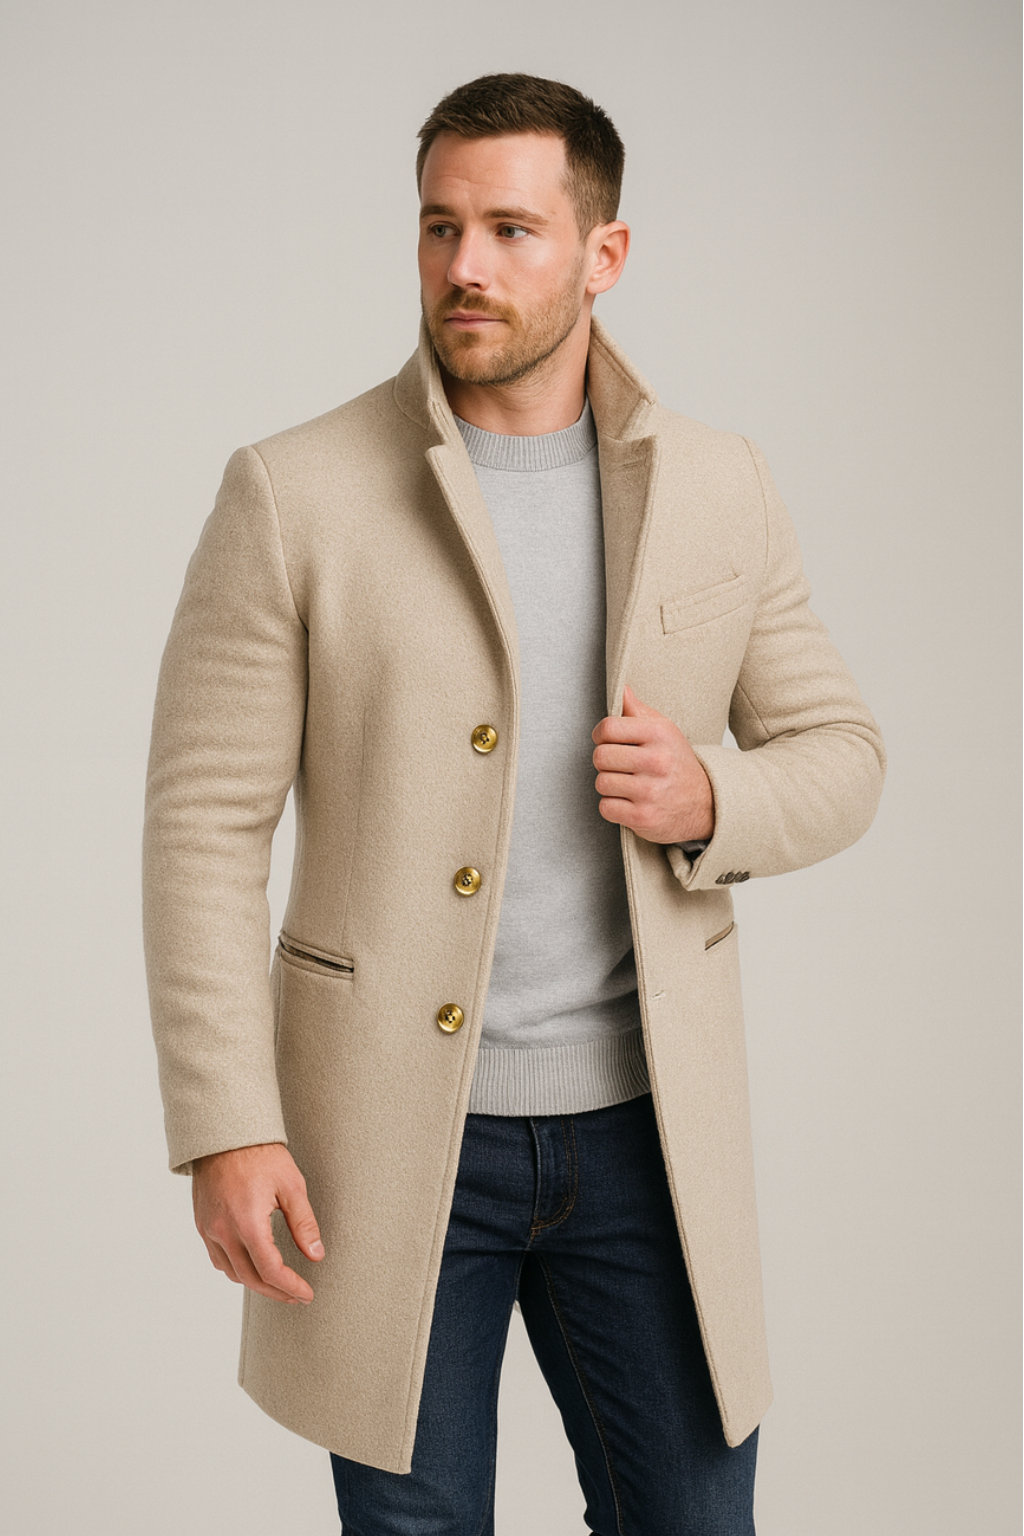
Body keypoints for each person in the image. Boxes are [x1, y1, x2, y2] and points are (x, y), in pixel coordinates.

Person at [143, 73, 885, 1534]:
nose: (464, 266)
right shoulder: (294, 492)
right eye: (439, 227)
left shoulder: (720, 485)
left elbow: (842, 751)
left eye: (509, 230)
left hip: (646, 1140)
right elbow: (201, 829)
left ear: (605, 254)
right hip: (384, 1142)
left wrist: (711, 794)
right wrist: (227, 1121)